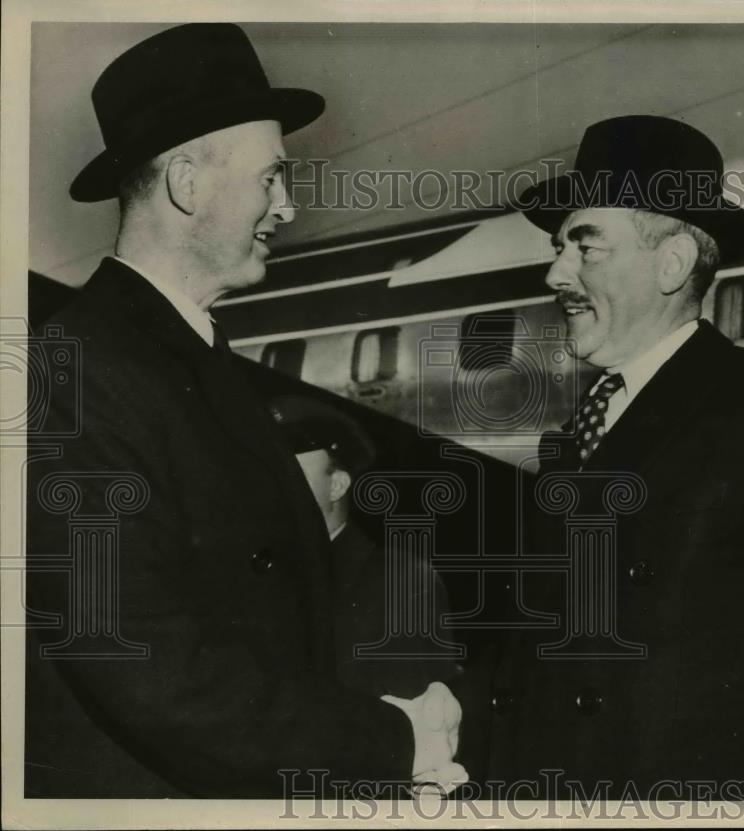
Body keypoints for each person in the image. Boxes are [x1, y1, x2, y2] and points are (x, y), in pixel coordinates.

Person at [25, 23, 462, 798]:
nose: (287, 207)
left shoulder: (182, 361)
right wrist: (394, 739)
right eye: (271, 178)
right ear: (187, 184)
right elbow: (139, 654)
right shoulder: (78, 368)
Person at [483, 116, 744, 800]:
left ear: (671, 264)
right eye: (558, 248)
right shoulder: (573, 434)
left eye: (585, 247)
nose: (556, 273)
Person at [269, 394, 462, 699]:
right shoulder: (263, 575)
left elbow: (408, 716)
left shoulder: (400, 582)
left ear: (337, 485)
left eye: (292, 474)